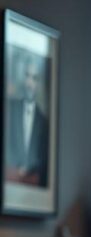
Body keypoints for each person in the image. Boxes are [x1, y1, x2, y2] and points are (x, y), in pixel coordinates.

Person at [4, 56, 49, 187]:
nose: (30, 83)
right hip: (10, 178)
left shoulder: (43, 121)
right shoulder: (11, 108)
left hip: (32, 181)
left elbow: (42, 158)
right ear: (24, 79)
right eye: (28, 76)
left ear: (38, 84)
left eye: (34, 78)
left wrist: (28, 169)